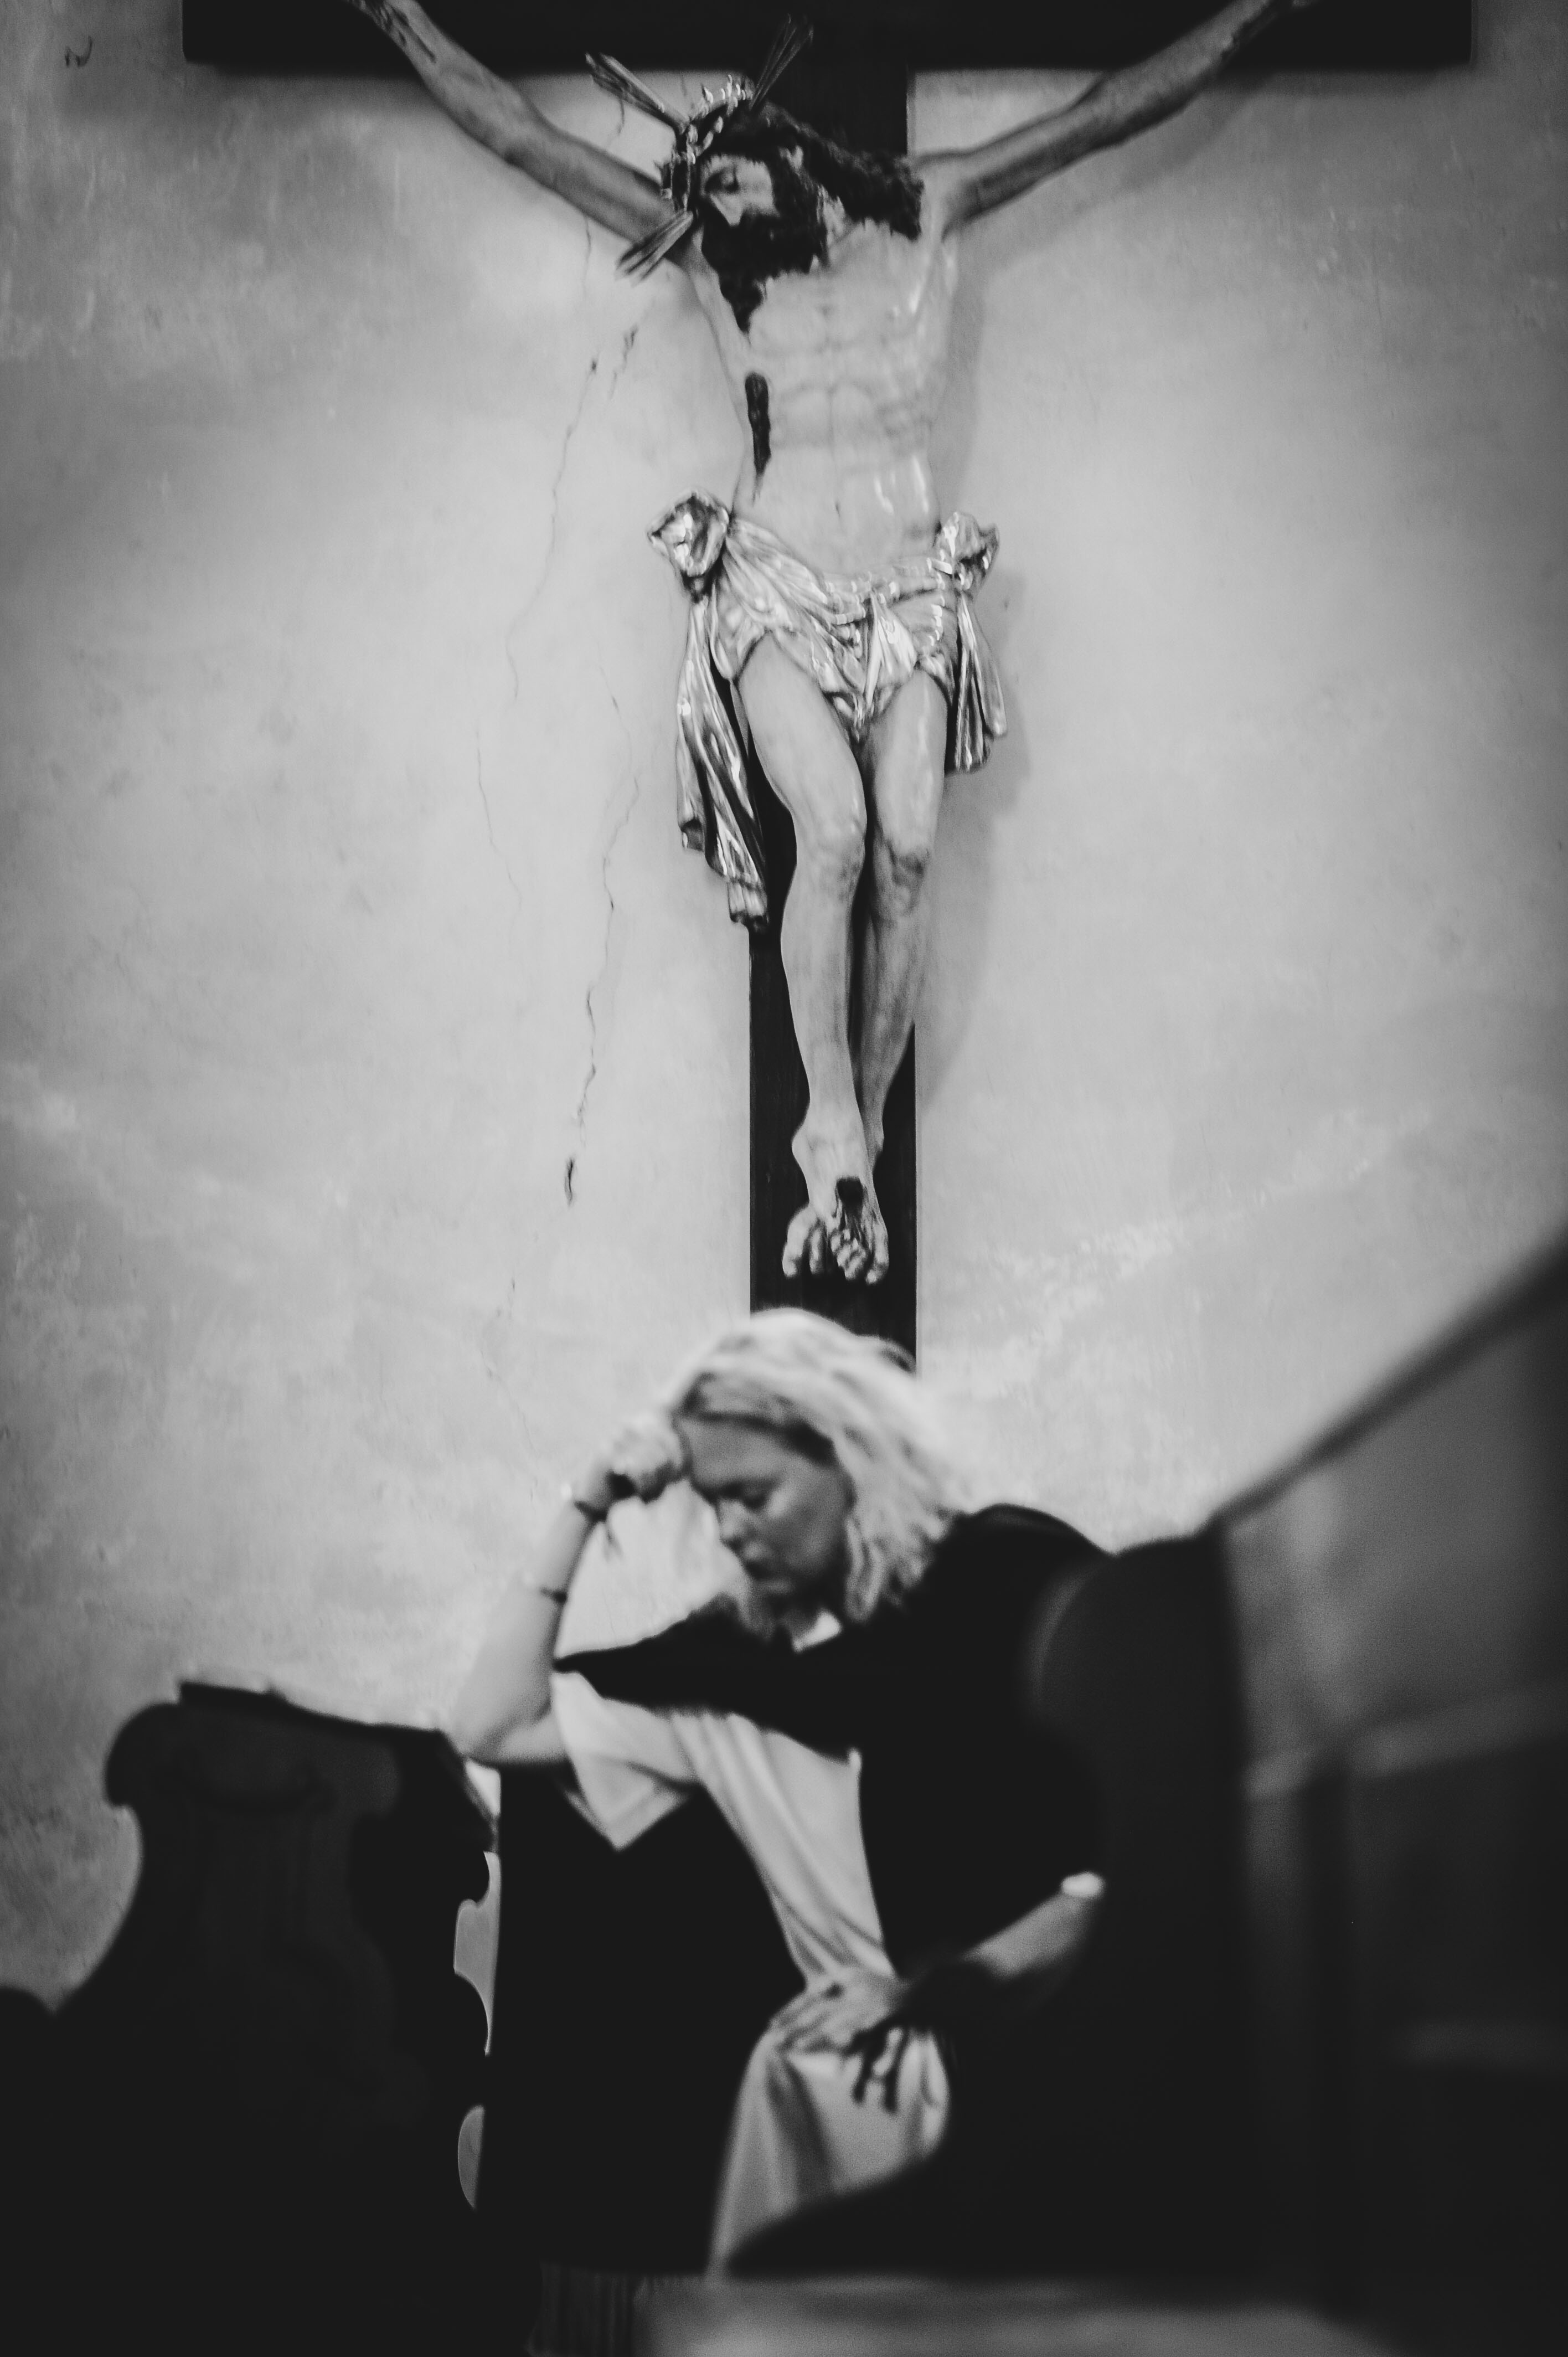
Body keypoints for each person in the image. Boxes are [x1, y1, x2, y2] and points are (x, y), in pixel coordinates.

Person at [345, 2, 1324, 1286]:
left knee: (909, 849)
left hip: (909, 589)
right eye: (704, 195)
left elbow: (1103, 115)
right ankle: (830, 1122)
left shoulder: (932, 207)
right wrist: (402, 22)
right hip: (775, 588)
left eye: (731, 176)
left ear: (785, 148)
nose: (719, 204)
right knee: (841, 832)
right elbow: (527, 139)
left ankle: (852, 1136)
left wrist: (1251, 15)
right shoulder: (715, 261)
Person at [450, 1308, 1107, 2266]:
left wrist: (934, 1989)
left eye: (754, 1495)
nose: (730, 1530)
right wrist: (586, 1501)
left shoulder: (1011, 1587)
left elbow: (1133, 1856)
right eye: (713, 1503)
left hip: (1029, 2074)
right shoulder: (731, 1673)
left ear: (850, 1456)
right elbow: (491, 1726)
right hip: (837, 2092)